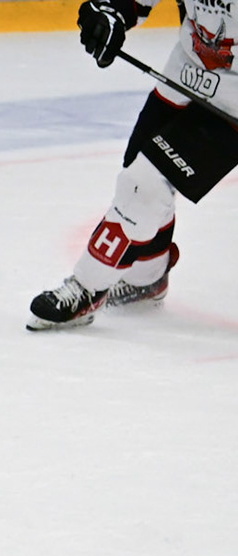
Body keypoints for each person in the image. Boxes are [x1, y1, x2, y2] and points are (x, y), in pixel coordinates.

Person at [26, 0, 236, 329]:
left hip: (232, 108)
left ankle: (87, 285)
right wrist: (111, 14)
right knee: (138, 173)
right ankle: (145, 279)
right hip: (183, 78)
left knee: (145, 185)